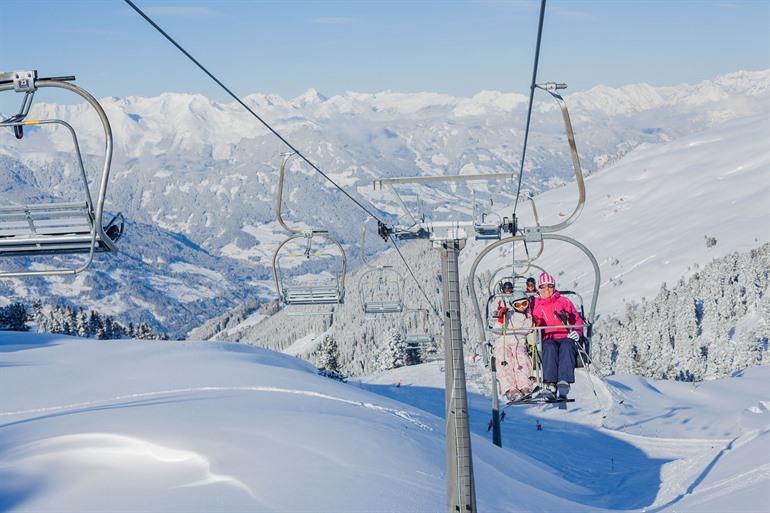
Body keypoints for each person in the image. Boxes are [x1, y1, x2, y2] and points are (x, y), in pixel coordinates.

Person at [531, 272, 583, 399]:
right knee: (549, 348)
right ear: (539, 288)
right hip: (548, 337)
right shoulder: (535, 305)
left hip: (566, 335)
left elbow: (577, 320)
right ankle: (550, 383)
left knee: (567, 346)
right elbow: (529, 320)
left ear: (554, 287)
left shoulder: (564, 301)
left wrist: (577, 332)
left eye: (549, 286)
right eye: (543, 286)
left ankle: (563, 382)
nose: (546, 289)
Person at [494, 294, 534, 401]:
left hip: (519, 342)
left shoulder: (529, 318)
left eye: (524, 304)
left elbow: (530, 333)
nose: (521, 307)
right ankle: (510, 388)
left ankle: (525, 386)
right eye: (518, 304)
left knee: (522, 358)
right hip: (504, 342)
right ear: (513, 305)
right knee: (504, 359)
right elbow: (496, 331)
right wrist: (500, 319)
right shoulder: (508, 315)